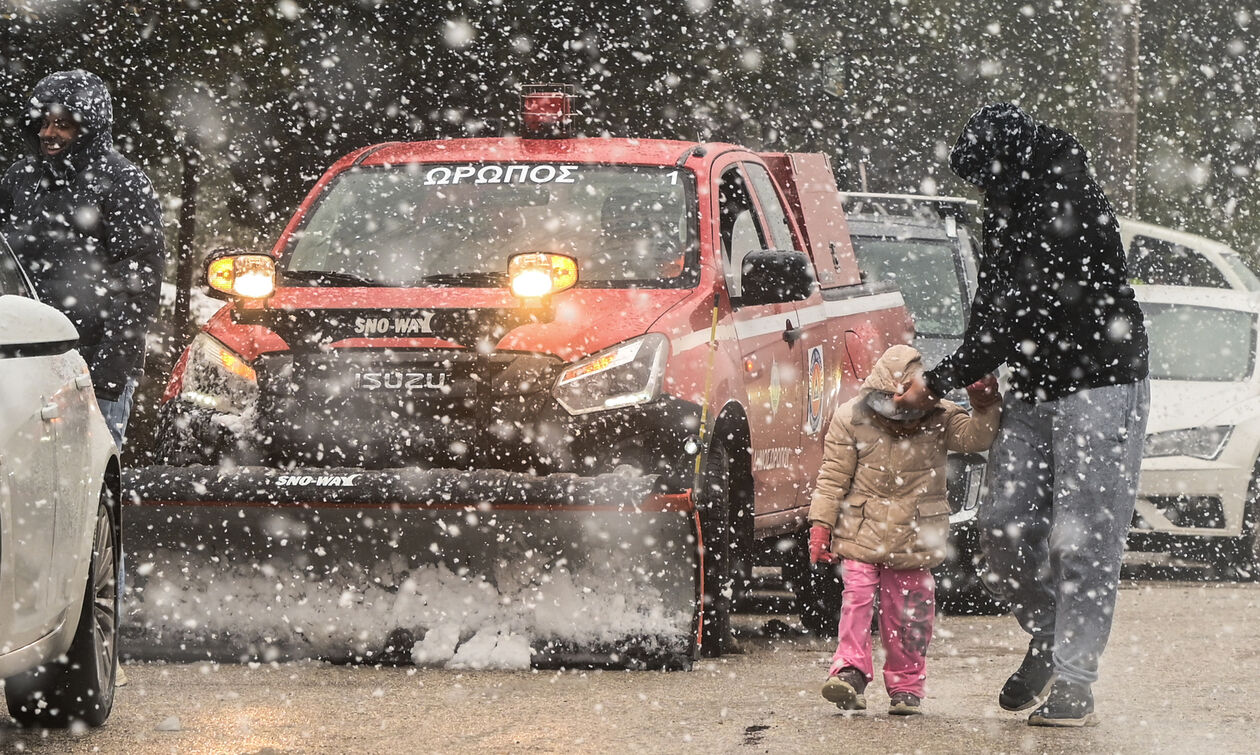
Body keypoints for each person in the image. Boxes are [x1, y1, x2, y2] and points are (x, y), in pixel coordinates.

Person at [895, 103, 1150, 727]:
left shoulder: (1067, 196)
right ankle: (1048, 637)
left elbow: (1026, 303)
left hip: (1102, 382)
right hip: (1033, 387)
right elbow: (995, 298)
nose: (983, 188)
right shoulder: (1010, 201)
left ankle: (1074, 680)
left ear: (1009, 159)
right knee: (1001, 531)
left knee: (1084, 538)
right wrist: (978, 361)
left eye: (986, 175)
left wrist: (940, 380)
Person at [809, 345, 1001, 715]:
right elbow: (832, 478)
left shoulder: (942, 417)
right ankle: (849, 671)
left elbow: (977, 437)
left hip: (914, 534)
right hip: (862, 531)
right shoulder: (851, 418)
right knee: (857, 602)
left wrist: (984, 404)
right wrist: (821, 525)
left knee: (910, 614)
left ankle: (906, 686)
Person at [0, 70, 166, 449]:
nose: (48, 132)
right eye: (43, 121)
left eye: (62, 124)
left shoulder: (123, 183)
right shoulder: (19, 179)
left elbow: (138, 284)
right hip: (21, 363)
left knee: (91, 483)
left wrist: (107, 373)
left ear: (89, 128)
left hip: (89, 366)